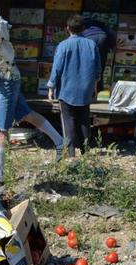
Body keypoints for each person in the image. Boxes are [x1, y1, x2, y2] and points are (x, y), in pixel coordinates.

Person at [0, 0, 64, 187]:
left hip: (7, 81)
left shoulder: (0, 24)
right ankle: (61, 142)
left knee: (0, 128)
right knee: (26, 114)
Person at [47, 15, 101, 159]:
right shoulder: (92, 45)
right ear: (84, 29)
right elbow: (97, 70)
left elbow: (57, 68)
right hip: (85, 90)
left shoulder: (63, 45)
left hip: (66, 91)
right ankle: (85, 152)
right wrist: (94, 87)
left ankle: (70, 155)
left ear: (67, 29)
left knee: (68, 121)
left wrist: (51, 87)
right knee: (84, 120)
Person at [82, 16, 115, 91]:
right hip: (102, 37)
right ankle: (98, 89)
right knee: (100, 65)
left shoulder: (86, 23)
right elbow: (111, 38)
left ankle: (88, 89)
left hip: (88, 37)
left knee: (86, 65)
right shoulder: (103, 25)